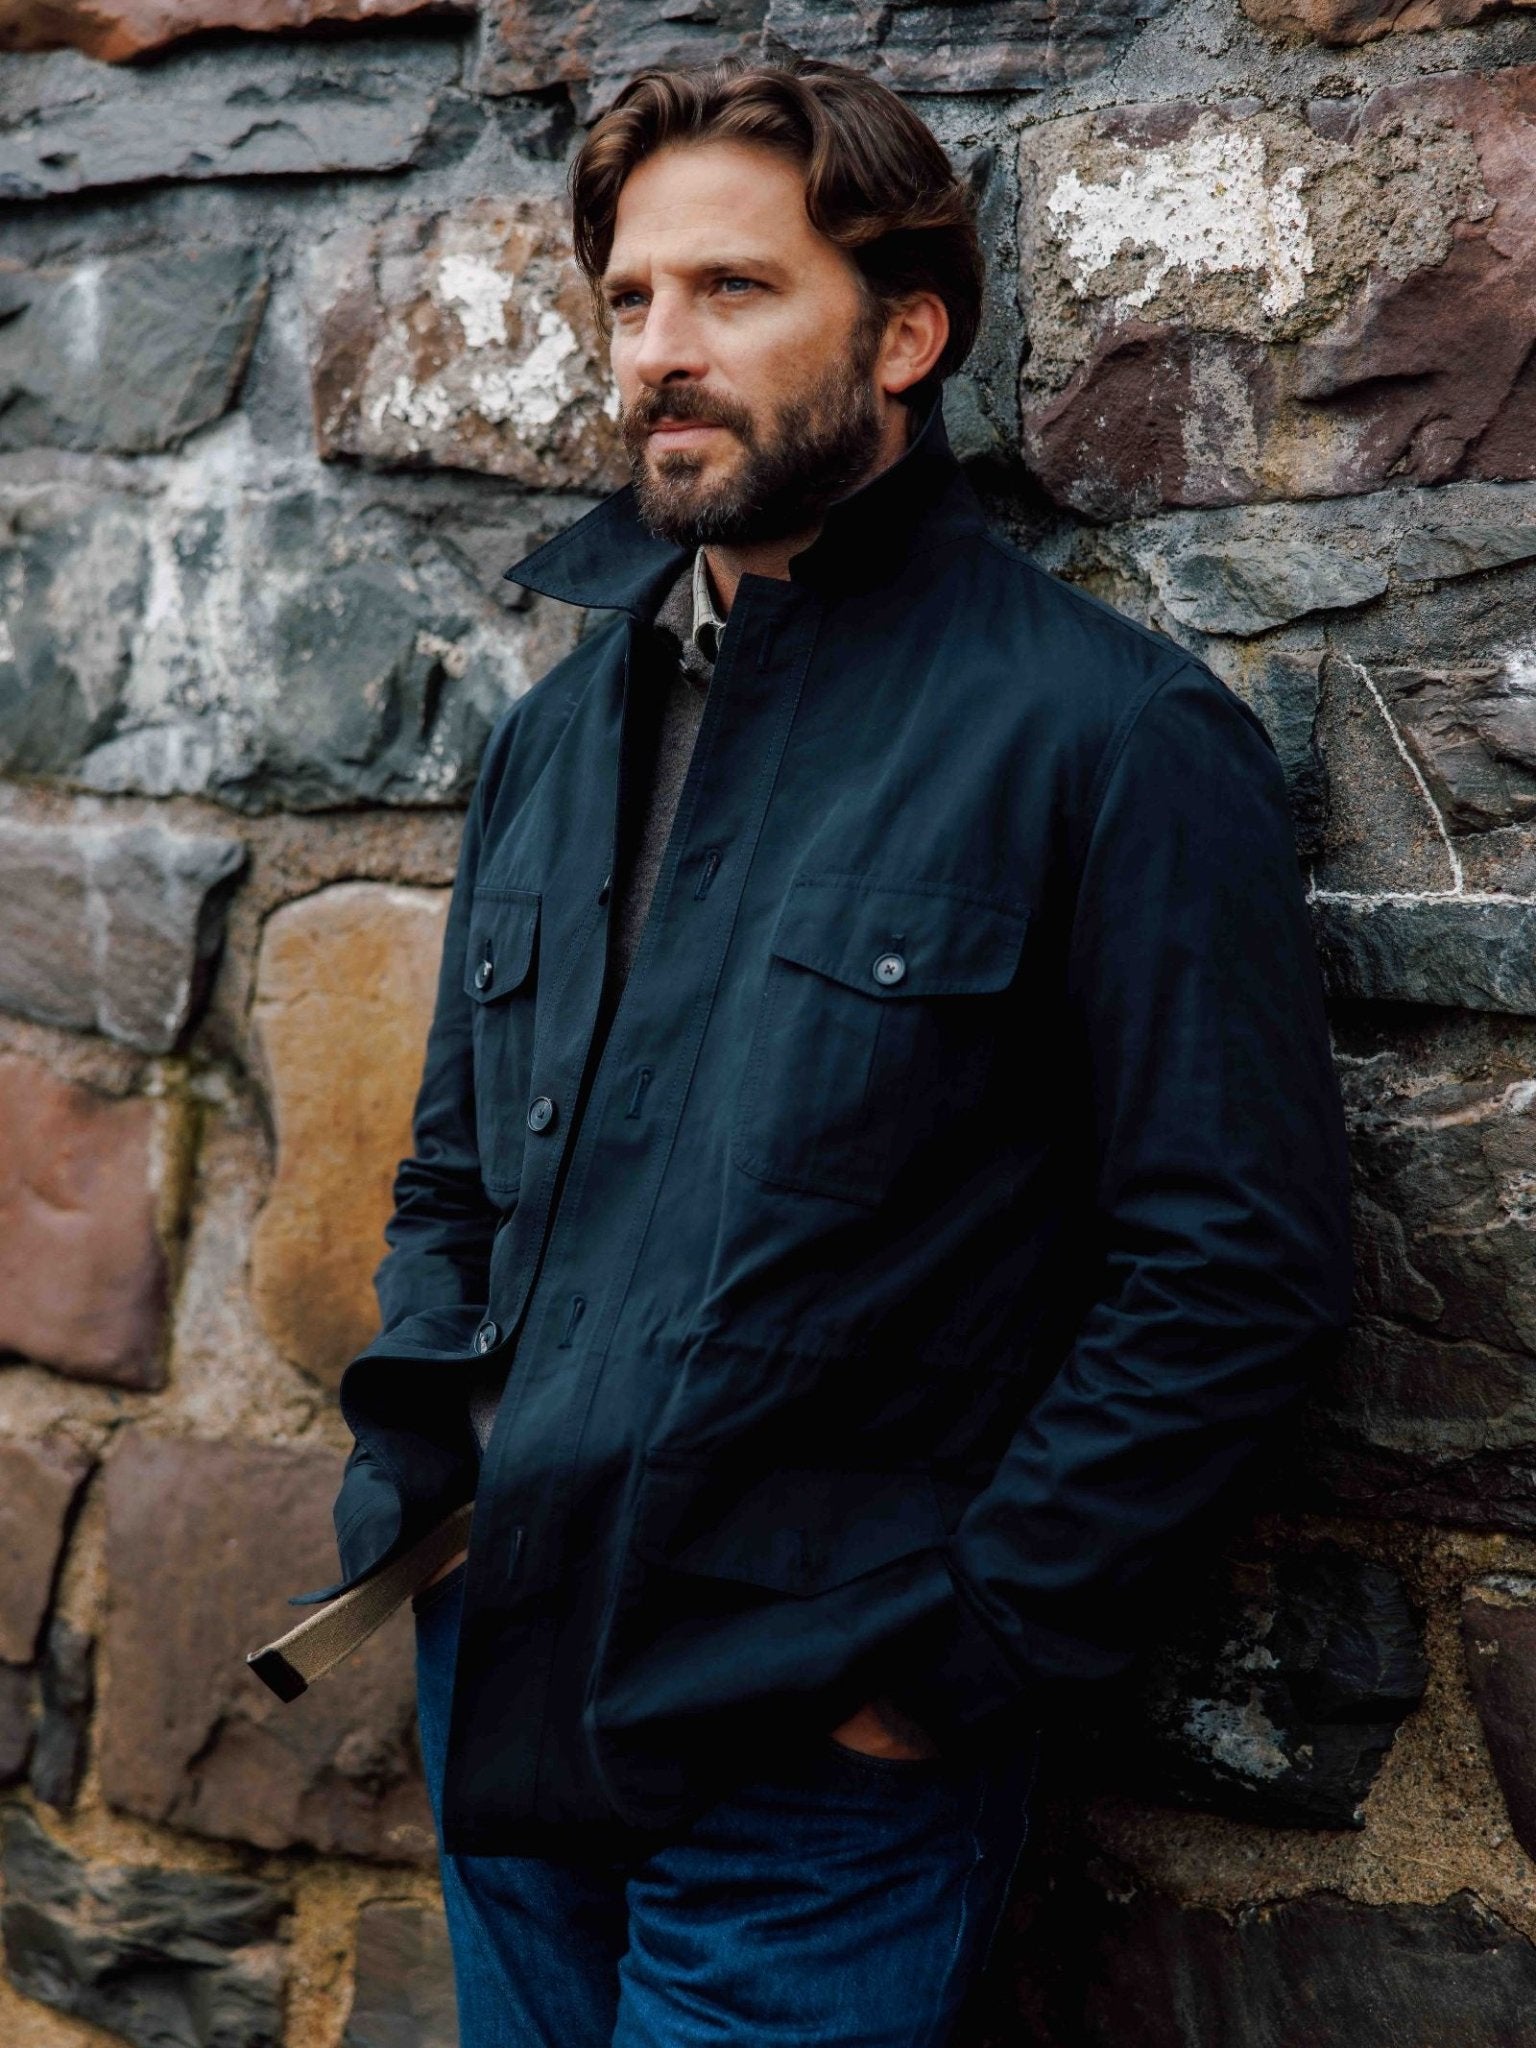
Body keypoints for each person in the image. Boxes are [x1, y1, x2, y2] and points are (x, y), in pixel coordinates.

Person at [270, 54, 1354, 2046]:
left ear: (908, 333)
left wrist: (945, 1658)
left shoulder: (1103, 739)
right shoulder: (553, 738)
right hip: (503, 1662)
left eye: (735, 292)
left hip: (815, 1748)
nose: (660, 352)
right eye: (630, 298)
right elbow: (452, 1184)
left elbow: (1234, 1268)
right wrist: (416, 1488)